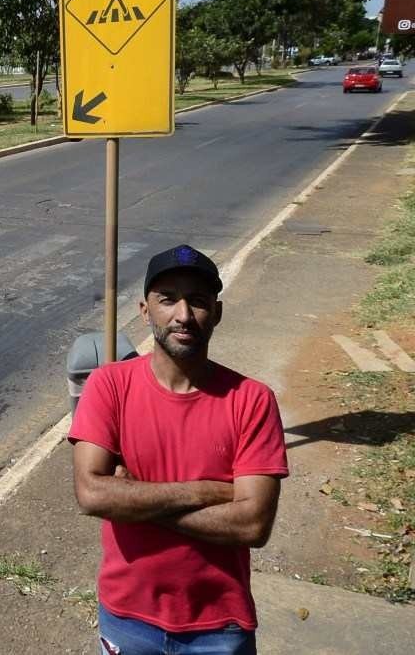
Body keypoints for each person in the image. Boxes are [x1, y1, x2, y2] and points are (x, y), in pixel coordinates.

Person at [69, 244, 288, 655]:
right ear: (144, 310)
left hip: (220, 625)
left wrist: (137, 501)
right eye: (168, 299)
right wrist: (208, 491)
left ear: (217, 314)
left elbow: (252, 525)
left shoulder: (252, 400)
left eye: (199, 302)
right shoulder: (109, 386)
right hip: (127, 617)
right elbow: (93, 494)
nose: (183, 315)